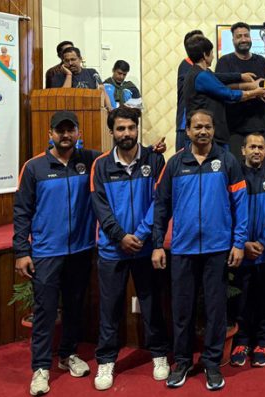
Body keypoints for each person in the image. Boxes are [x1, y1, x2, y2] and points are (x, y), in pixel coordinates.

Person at [152, 109, 248, 391]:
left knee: (216, 310)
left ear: (213, 129)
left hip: (218, 248)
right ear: (189, 131)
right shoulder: (174, 164)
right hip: (183, 248)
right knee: (182, 309)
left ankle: (212, 363)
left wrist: (239, 242)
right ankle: (181, 362)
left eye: (207, 126)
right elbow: (161, 206)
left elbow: (240, 205)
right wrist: (158, 244)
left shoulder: (227, 161)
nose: (203, 131)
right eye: (197, 127)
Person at [14, 111, 99, 396]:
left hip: (81, 249)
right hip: (46, 252)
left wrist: (152, 151)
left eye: (70, 130)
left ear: (77, 132)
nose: (65, 136)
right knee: (45, 311)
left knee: (75, 307)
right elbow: (22, 212)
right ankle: (40, 368)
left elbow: (122, 156)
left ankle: (67, 355)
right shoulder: (35, 167)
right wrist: (22, 251)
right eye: (60, 131)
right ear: (50, 133)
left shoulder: (89, 161)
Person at [89, 107, 170, 390]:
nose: (126, 133)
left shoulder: (154, 159)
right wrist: (121, 236)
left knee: (151, 304)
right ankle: (106, 361)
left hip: (146, 248)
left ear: (138, 129)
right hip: (113, 250)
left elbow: (159, 202)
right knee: (110, 309)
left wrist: (141, 233)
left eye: (131, 128)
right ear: (112, 132)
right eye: (121, 129)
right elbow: (100, 207)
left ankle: (159, 354)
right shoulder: (100, 165)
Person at [229, 132, 265, 368]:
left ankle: (264, 343)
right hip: (241, 252)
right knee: (242, 301)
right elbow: (227, 212)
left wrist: (263, 242)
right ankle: (242, 341)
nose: (257, 151)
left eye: (261, 147)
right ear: (243, 150)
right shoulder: (233, 176)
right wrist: (243, 244)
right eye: (252, 147)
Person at [181, 35, 265, 150]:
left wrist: (240, 76)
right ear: (204, 55)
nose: (212, 56)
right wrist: (255, 92)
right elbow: (229, 95)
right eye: (211, 53)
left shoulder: (198, 72)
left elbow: (218, 76)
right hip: (208, 136)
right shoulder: (202, 76)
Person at [215, 22, 265, 159]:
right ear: (233, 40)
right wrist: (249, 87)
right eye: (239, 36)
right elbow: (220, 89)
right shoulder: (224, 62)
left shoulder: (262, 61)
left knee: (261, 171)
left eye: (246, 35)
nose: (244, 39)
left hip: (260, 126)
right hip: (234, 128)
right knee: (237, 170)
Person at [48, 47, 112, 109]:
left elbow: (102, 92)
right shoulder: (57, 77)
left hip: (92, 111)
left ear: (80, 59)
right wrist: (69, 75)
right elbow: (63, 98)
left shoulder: (92, 73)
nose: (70, 63)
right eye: (67, 61)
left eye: (73, 59)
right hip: (70, 112)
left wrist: (109, 109)